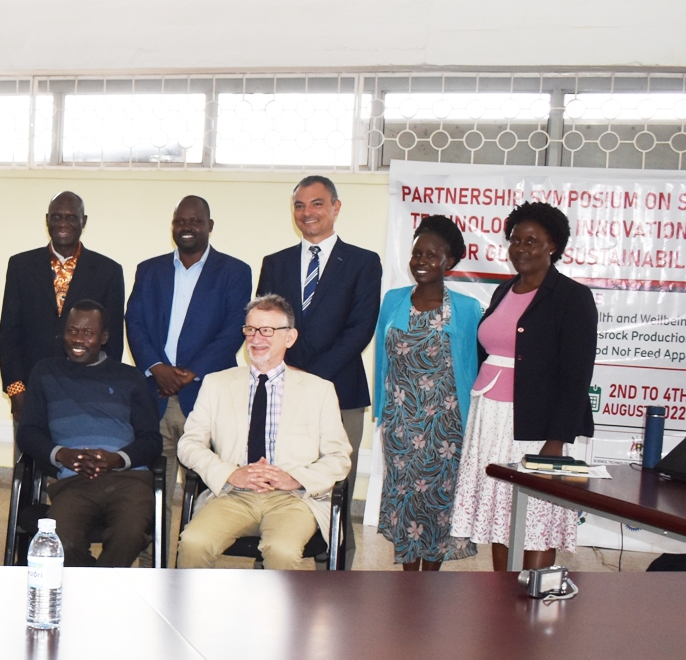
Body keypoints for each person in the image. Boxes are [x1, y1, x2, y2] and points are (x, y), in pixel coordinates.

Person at [451, 202, 597, 571]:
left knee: (534, 520)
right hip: (491, 419)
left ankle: (531, 604)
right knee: (501, 515)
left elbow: (577, 376)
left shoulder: (572, 297)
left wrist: (556, 441)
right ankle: (502, 599)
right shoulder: (504, 291)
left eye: (532, 241)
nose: (521, 248)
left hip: (536, 427)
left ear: (554, 245)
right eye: (515, 240)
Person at [255, 176, 381, 560]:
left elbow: (360, 327)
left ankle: (337, 560)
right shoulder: (274, 263)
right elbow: (265, 324)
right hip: (281, 389)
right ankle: (275, 552)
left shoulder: (363, 262)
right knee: (280, 475)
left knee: (335, 478)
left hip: (341, 389)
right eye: (299, 205)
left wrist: (311, 377)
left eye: (317, 204)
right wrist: (290, 375)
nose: (307, 213)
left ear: (336, 208)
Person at [176, 296, 351, 569]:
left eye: (267, 330)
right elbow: (189, 444)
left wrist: (294, 478)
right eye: (250, 329)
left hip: (292, 499)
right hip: (233, 493)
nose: (256, 338)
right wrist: (230, 473)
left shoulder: (319, 390)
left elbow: (339, 458)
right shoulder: (217, 384)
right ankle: (196, 612)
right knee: (193, 542)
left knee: (281, 550)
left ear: (290, 337)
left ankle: (278, 614)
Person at [125, 194, 251, 536]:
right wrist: (157, 367)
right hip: (155, 396)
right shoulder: (149, 270)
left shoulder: (235, 272)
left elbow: (232, 332)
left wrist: (189, 372)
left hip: (206, 396)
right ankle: (154, 563)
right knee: (153, 488)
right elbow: (134, 322)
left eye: (195, 221)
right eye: (180, 221)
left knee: (204, 490)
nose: (187, 227)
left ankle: (191, 567)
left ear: (209, 226)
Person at [372, 215, 481, 572]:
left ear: (450, 262)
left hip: (446, 429)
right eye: (417, 253)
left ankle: (430, 580)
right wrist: (382, 412)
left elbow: (472, 367)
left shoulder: (467, 309)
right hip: (401, 428)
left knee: (438, 506)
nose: (420, 261)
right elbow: (381, 359)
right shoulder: (393, 300)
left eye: (431, 255)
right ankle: (408, 584)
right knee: (405, 504)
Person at [16, 301, 160, 567]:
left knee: (128, 535)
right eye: (72, 331)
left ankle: (97, 593)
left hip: (127, 479)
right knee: (60, 540)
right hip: (74, 481)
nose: (78, 339)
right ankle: (98, 584)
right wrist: (63, 455)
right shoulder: (45, 372)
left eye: (87, 333)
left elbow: (152, 440)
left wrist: (116, 459)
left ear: (104, 337)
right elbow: (28, 433)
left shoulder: (130, 377)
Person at [0, 191, 124, 418]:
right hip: (31, 392)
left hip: (87, 393)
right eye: (56, 217)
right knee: (29, 453)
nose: (62, 223)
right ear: (47, 219)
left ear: (83, 221)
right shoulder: (21, 266)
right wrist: (16, 390)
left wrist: (101, 390)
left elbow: (112, 340)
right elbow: (9, 334)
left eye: (71, 217)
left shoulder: (109, 271)